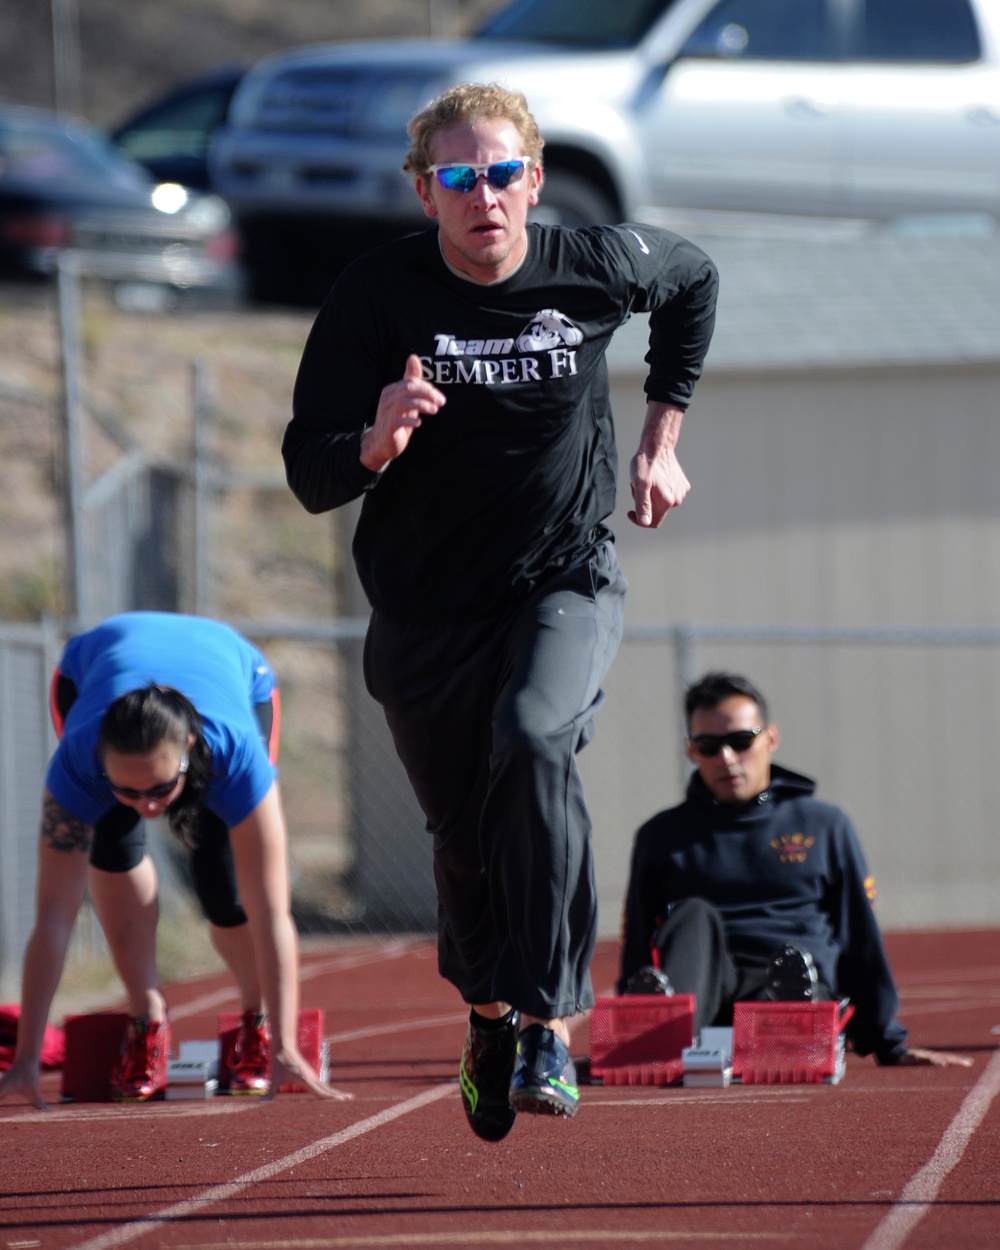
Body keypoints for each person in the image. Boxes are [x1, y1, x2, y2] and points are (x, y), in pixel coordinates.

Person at [282, 82, 718, 1138]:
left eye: (500, 174)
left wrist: (662, 434)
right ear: (425, 191)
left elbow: (693, 276)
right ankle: (488, 1011)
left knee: (533, 740)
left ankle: (551, 1021)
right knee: (462, 835)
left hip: (561, 576)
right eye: (457, 178)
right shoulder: (374, 294)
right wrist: (374, 442)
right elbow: (308, 469)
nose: (483, 197)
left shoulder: (592, 264)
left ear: (531, 180)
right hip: (426, 607)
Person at [0, 611, 353, 1108]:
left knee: (225, 885)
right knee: (111, 847)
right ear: (102, 761)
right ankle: (147, 1017)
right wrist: (26, 1060)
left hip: (236, 674)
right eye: (128, 788)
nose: (150, 807)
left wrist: (289, 1046)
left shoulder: (236, 754)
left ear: (188, 748)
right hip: (88, 670)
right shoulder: (77, 761)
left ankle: (257, 1020)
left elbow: (273, 913)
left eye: (162, 788)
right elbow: (53, 916)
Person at [618, 671, 972, 1068]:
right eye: (708, 746)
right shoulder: (660, 835)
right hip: (708, 994)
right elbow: (635, 943)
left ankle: (791, 1014)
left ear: (771, 738)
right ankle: (655, 1042)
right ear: (690, 752)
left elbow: (859, 933)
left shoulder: (824, 826)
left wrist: (887, 1041)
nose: (727, 758)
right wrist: (621, 1032)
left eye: (741, 741)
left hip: (794, 976)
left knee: (793, 971)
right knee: (691, 915)